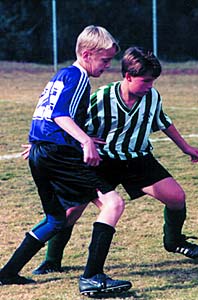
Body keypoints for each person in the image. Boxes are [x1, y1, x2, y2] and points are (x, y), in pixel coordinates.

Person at [30, 46, 198, 277]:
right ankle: (52, 260)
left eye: (153, 81)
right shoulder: (101, 98)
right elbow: (69, 122)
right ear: (128, 76)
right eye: (145, 81)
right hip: (102, 163)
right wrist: (42, 143)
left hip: (137, 159)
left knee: (176, 197)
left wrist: (185, 147)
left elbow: (163, 121)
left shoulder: (151, 96)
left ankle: (173, 241)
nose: (150, 86)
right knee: (71, 211)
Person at [0, 25, 132, 297]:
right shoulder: (79, 77)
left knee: (56, 219)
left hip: (42, 153)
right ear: (87, 54)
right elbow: (60, 114)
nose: (108, 66)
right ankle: (93, 277)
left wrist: (44, 144)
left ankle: (7, 273)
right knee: (113, 202)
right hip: (57, 154)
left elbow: (45, 117)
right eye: (105, 60)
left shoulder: (61, 75)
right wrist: (84, 141)